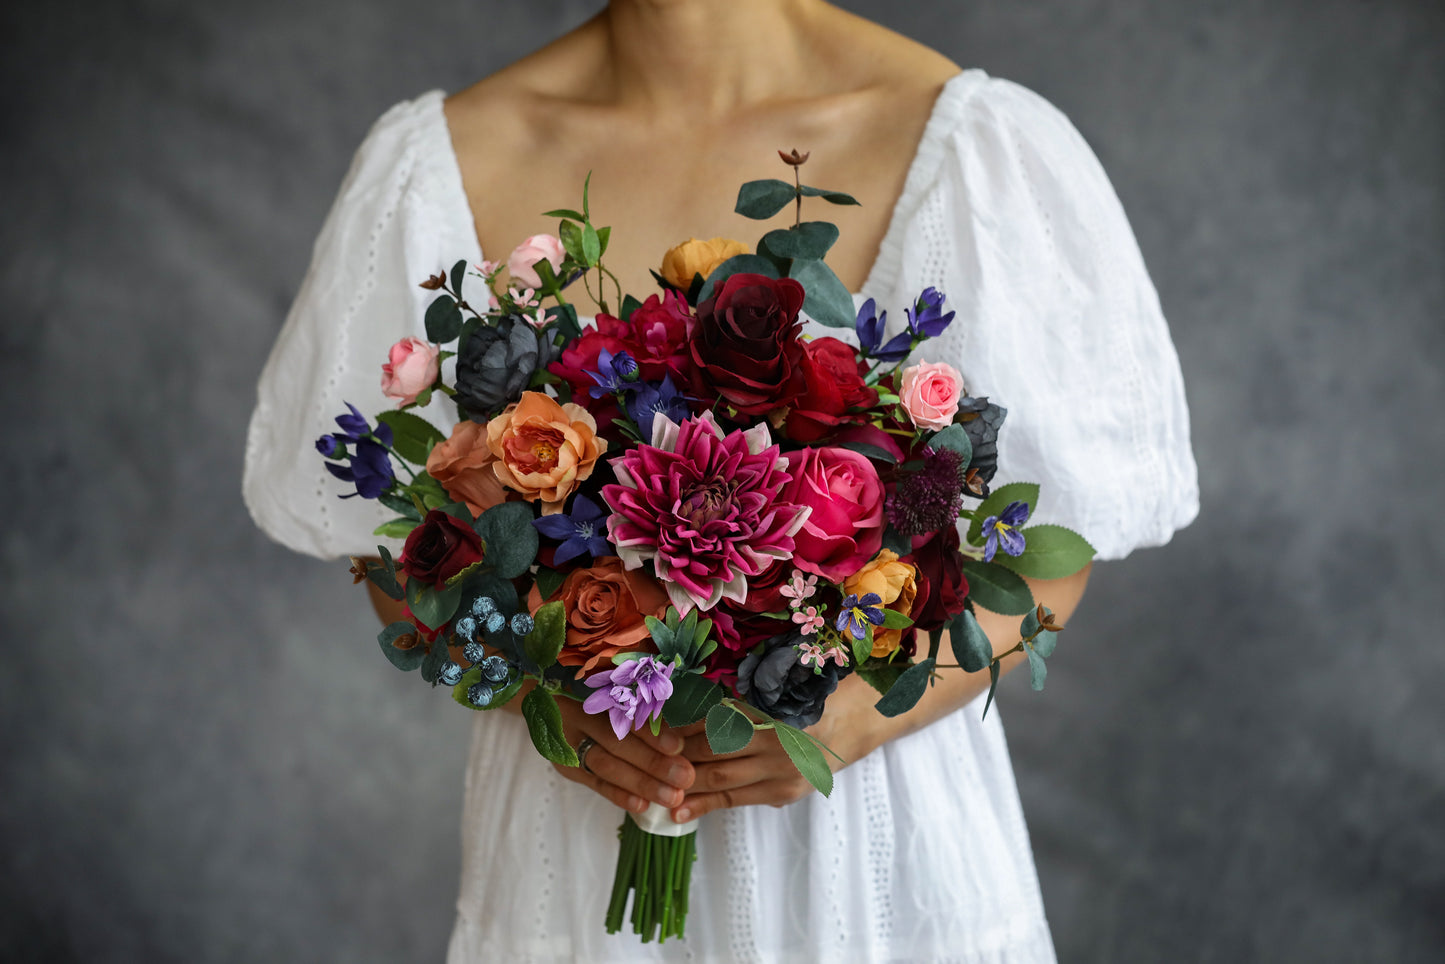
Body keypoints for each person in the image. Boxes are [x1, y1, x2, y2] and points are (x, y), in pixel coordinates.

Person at [242, 1, 1199, 960]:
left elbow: (1048, 552)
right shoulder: (439, 160)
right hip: (570, 856)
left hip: (870, 866)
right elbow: (389, 551)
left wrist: (845, 723)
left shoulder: (977, 147)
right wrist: (549, 700)